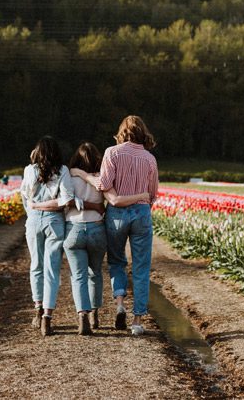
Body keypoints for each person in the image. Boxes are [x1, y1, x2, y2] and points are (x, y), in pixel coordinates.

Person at [32, 142, 148, 335]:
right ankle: (95, 313)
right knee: (95, 273)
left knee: (78, 276)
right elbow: (104, 203)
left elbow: (66, 201)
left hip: (73, 229)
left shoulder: (69, 176)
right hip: (96, 230)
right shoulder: (101, 179)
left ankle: (82, 316)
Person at [74, 115, 158, 336]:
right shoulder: (150, 159)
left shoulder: (112, 152)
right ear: (143, 133)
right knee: (141, 267)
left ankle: (120, 303)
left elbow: (103, 184)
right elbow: (153, 194)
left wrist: (82, 175)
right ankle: (138, 320)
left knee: (117, 261)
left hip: (117, 214)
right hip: (141, 213)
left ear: (122, 132)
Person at [20, 136, 103, 336]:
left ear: (37, 152)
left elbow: (25, 198)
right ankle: (47, 317)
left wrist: (35, 208)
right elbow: (65, 200)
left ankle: (38, 309)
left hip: (33, 221)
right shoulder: (63, 171)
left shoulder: (29, 170)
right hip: (55, 222)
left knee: (36, 266)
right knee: (51, 270)